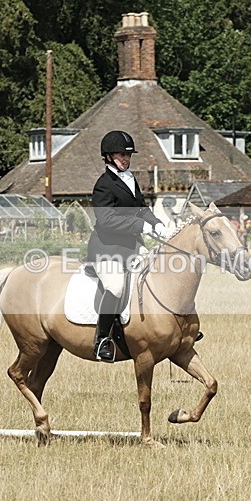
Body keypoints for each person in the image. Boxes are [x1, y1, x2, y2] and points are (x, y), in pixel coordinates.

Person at [88, 130, 170, 361]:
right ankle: (102, 338)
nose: (125, 159)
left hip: (131, 248)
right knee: (115, 287)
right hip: (107, 249)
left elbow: (141, 208)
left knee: (164, 271)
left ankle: (174, 327)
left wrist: (156, 222)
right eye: (121, 155)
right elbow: (106, 220)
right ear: (108, 156)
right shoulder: (103, 185)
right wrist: (139, 226)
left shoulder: (129, 179)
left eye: (128, 155)